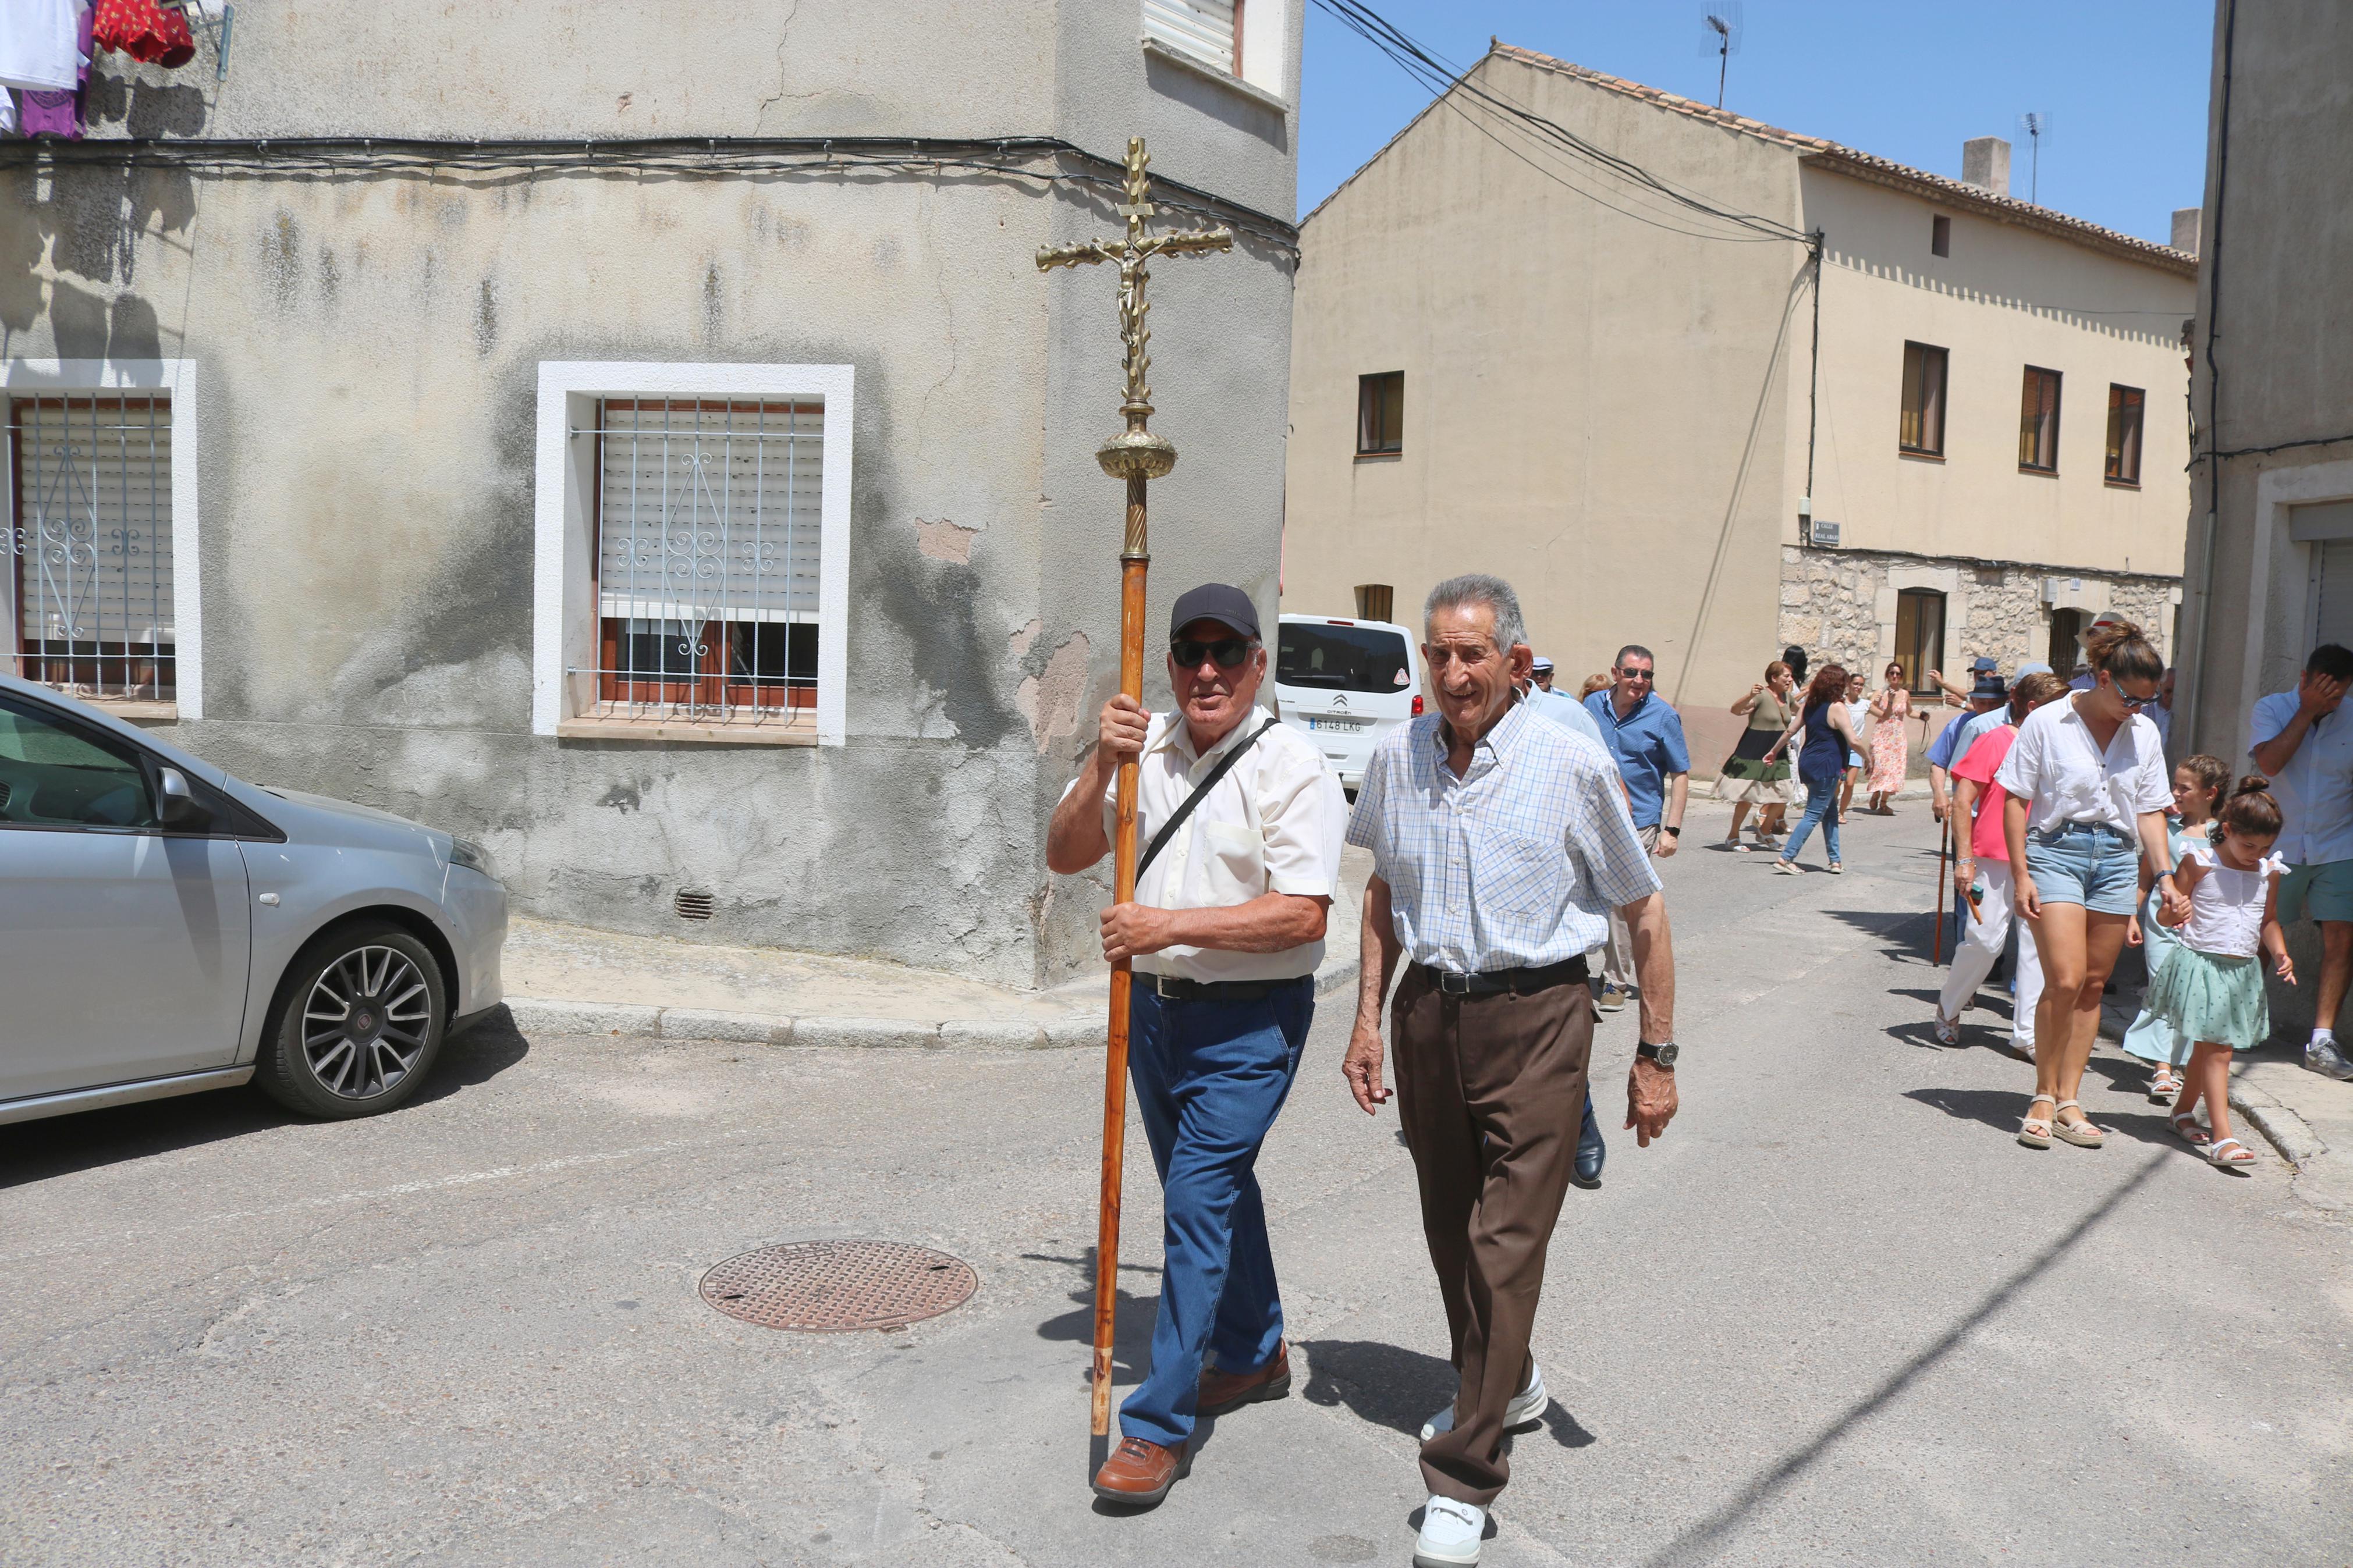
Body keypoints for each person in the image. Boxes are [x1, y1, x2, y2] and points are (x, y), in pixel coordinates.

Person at [1341, 574, 1677, 1568]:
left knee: (1504, 1242)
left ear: (1515, 663)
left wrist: (1655, 1055)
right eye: (1438, 654)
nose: (1452, 673)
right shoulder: (1395, 756)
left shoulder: (1567, 762)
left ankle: (1464, 1471)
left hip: (1538, 1016)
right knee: (1451, 1230)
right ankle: (1509, 1376)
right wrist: (1366, 1019)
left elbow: (1643, 911)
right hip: (1427, 1015)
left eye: (1472, 654)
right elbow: (1380, 893)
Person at [1045, 582, 1346, 1507]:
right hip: (1155, 1018)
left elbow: (1301, 913)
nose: (1206, 670)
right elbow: (1062, 851)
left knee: (1193, 1205)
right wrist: (1099, 764)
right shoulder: (1143, 748)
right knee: (1212, 1193)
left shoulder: (1291, 764)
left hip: (1249, 1021)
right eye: (1189, 651)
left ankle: (1155, 1423)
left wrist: (1163, 924)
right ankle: (1253, 1350)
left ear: (1259, 662)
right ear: (1169, 663)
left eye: (1226, 651)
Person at [1996, 617, 2175, 1150]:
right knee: (2066, 977)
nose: (2137, 708)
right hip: (2056, 852)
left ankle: (2070, 1098)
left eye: (2147, 699)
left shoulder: (2144, 732)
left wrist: (2164, 876)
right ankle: (2042, 1095)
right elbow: (2012, 796)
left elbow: (2149, 810)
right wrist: (2021, 871)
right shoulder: (2047, 722)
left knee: (2094, 983)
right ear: (2100, 677)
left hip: (2117, 859)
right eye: (2130, 696)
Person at [2147, 778, 2295, 1171]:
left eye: (2264, 847)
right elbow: (2165, 914)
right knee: (2219, 1049)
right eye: (2249, 845)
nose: (2256, 855)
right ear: (2226, 830)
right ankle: (2223, 1136)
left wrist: (2279, 951)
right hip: (2201, 966)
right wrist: (2171, 912)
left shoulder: (2269, 871)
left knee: (2207, 1047)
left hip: (2241, 971)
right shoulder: (2199, 862)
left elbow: (2267, 920)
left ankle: (2181, 1113)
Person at [1513, 663, 1613, 1190]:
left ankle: (1579, 1114)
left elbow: (1607, 781)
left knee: (1556, 1040)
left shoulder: (1566, 716)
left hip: (1551, 908)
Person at [1932, 671, 2068, 1052]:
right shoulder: (1996, 740)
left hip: (2043, 855)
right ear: (2032, 708)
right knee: (1985, 941)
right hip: (1992, 858)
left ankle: (2026, 1035)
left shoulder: (2059, 746)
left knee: (2035, 945)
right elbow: (1962, 801)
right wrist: (1963, 860)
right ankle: (1949, 1005)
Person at [2246, 643, 2353, 1082]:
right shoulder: (2271, 708)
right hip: (2278, 846)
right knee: (2257, 932)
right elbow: (2269, 762)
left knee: (2341, 939)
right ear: (2305, 678)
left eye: (2339, 695)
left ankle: (2322, 1039)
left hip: (2338, 844)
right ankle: (2239, 1022)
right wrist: (2306, 712)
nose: (2333, 704)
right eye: (2326, 693)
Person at [2118, 755, 2232, 1098]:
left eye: (2184, 788)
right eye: (2175, 785)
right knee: (2164, 989)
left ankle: (2175, 1061)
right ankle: (2163, 1069)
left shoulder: (2223, 836)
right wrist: (2130, 918)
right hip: (2161, 924)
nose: (2175, 793)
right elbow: (2144, 879)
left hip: (2202, 932)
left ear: (2210, 793)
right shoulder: (2164, 830)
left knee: (2188, 997)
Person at [1584, 644, 1689, 1012]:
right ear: (1616, 673)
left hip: (1638, 821)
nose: (1639, 681)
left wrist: (1671, 829)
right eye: (1631, 673)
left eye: (1646, 675)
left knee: (1620, 900)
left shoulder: (1663, 716)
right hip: (1590, 815)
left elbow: (1680, 775)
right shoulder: (1593, 706)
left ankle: (1615, 979)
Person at [1765, 663, 1859, 874]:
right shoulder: (1837, 707)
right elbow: (1853, 740)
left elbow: (1791, 730)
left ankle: (1835, 861)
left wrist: (1774, 751)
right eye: (1843, 683)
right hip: (1826, 765)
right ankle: (1786, 858)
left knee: (1831, 812)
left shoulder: (1810, 706)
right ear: (1837, 684)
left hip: (1808, 763)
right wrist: (1869, 758)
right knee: (1813, 814)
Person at [1719, 660, 1795, 852]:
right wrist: (1749, 695)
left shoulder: (1787, 697)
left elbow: (1801, 714)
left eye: (1790, 676)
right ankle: (1733, 836)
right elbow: (1736, 710)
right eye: (1786, 676)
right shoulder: (1761, 696)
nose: (1790, 679)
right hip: (1755, 752)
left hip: (1778, 753)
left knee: (1784, 795)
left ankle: (1764, 831)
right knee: (1747, 797)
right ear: (1774, 678)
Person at [1865, 661, 1912, 814]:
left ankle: (1883, 803)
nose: (1895, 676)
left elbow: (1911, 713)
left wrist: (1923, 716)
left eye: (1898, 674)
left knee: (1893, 770)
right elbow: (1869, 708)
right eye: (1892, 673)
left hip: (1897, 735)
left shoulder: (1905, 694)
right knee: (1880, 765)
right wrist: (1877, 702)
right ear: (1887, 675)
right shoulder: (1880, 692)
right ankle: (1876, 792)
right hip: (1882, 732)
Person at [1840, 671, 1869, 823]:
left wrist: (1890, 702)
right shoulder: (1840, 702)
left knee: (1850, 784)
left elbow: (1884, 715)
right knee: (1837, 783)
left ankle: (1841, 813)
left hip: (1855, 748)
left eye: (1861, 685)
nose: (1858, 687)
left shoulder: (1865, 704)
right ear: (1849, 685)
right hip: (1840, 747)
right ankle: (1830, 811)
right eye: (1856, 684)